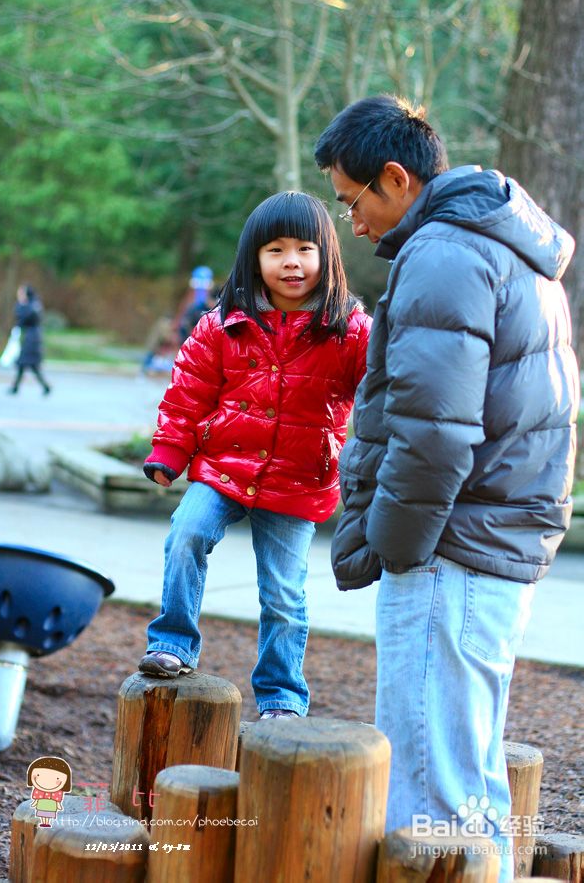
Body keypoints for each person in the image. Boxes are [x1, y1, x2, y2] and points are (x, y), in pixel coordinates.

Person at [314, 95, 578, 879]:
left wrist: (393, 549)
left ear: (395, 178)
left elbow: (435, 433)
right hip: (492, 541)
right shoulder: (506, 242)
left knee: (433, 802)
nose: (353, 226)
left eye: (352, 202)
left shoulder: (445, 252)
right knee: (468, 787)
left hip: (452, 549)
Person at [138, 191, 372, 720]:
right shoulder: (223, 324)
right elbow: (187, 392)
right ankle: (173, 642)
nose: (291, 262)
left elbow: (382, 388)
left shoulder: (350, 331)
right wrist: (169, 451)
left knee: (284, 595)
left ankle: (282, 695)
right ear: (254, 258)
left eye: (305, 249)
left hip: (298, 479)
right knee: (186, 534)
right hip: (224, 466)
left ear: (326, 256)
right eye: (276, 250)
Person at [8, 285, 51, 395]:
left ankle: (44, 387)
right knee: (25, 364)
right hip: (28, 337)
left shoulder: (32, 305)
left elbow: (22, 317)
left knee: (27, 364)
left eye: (21, 293)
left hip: (32, 339)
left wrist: (21, 305)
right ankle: (16, 388)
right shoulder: (31, 305)